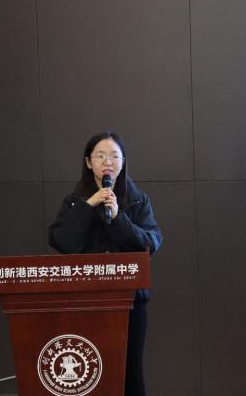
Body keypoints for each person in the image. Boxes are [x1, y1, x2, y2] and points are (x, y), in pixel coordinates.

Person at [48, 132, 163, 396]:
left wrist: (118, 217)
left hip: (130, 300)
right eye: (100, 156)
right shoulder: (75, 201)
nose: (107, 162)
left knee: (130, 371)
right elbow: (60, 240)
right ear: (89, 162)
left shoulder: (137, 200)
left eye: (114, 156)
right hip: (87, 297)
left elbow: (151, 242)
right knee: (90, 369)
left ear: (123, 162)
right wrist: (88, 206)